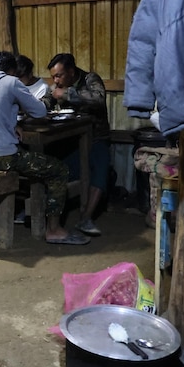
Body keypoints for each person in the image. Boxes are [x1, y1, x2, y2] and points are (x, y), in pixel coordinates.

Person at [0, 52, 88, 245]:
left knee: (32, 164)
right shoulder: (10, 82)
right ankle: (54, 229)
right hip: (1, 157)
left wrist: (12, 124)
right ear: (12, 70)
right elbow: (39, 111)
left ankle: (24, 214)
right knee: (58, 170)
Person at [41, 52, 110, 236]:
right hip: (70, 139)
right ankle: (41, 211)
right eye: (53, 76)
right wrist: (39, 105)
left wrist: (68, 94)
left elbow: (99, 99)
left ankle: (85, 219)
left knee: (100, 170)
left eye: (59, 75)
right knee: (54, 165)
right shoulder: (56, 85)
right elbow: (46, 101)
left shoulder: (90, 79)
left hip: (96, 137)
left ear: (71, 71)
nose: (55, 80)